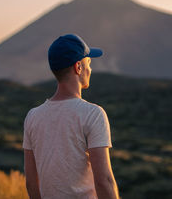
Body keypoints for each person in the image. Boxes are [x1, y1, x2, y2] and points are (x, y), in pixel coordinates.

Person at [23, 34, 119, 199]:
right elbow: (104, 180)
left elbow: (31, 183)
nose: (90, 69)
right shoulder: (93, 114)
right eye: (88, 63)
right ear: (78, 67)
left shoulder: (32, 116)